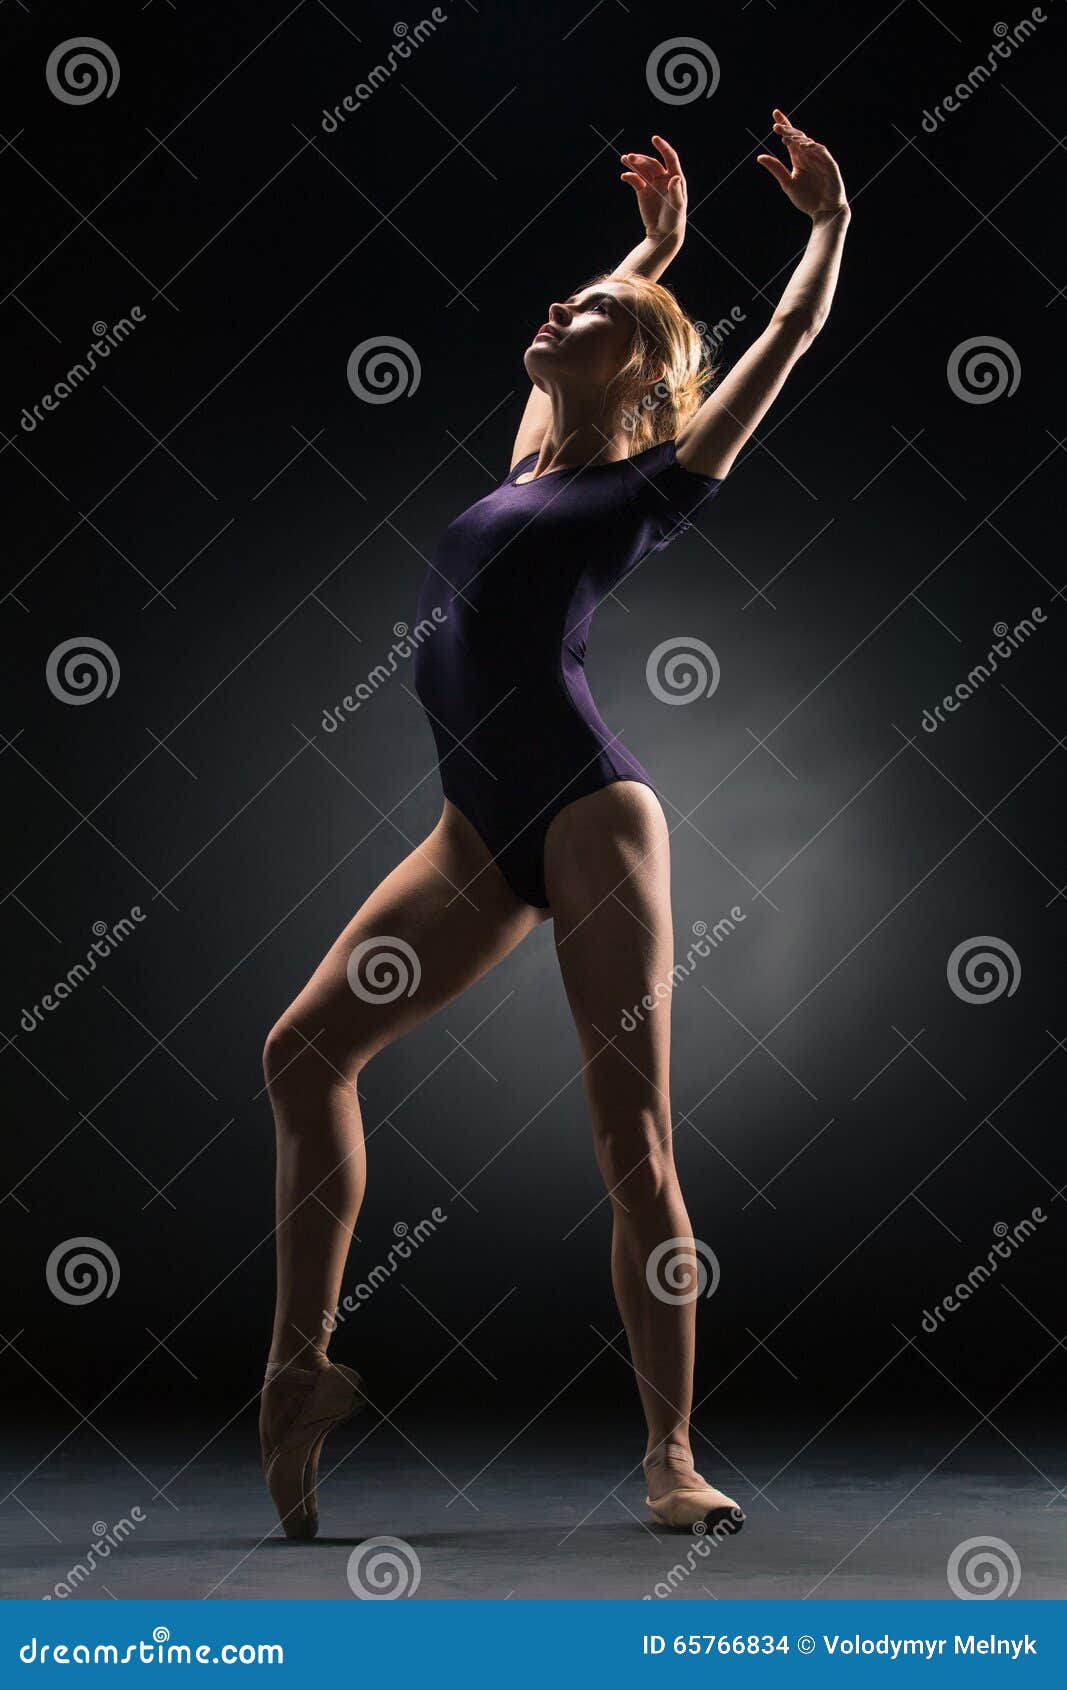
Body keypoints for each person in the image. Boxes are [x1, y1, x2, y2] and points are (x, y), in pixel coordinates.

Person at [260, 112, 850, 1539]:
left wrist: (827, 229)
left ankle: (672, 1454)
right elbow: (588, 338)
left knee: (631, 1144)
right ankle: (297, 1370)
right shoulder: (531, 457)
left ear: (642, 367)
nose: (554, 310)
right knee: (302, 1052)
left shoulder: (652, 478)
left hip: (592, 816)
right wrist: (649, 249)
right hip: (475, 824)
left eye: (589, 315)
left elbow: (772, 345)